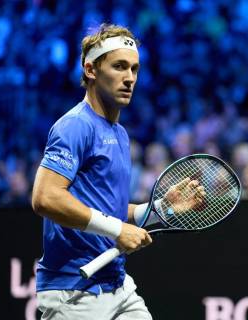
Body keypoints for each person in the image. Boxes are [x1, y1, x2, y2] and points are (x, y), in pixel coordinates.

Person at [32, 23, 204, 320]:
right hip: (74, 292)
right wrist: (116, 231)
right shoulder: (75, 126)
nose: (129, 78)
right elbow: (45, 198)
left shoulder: (120, 134)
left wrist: (162, 207)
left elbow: (106, 209)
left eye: (134, 69)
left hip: (117, 285)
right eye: (119, 67)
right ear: (90, 70)